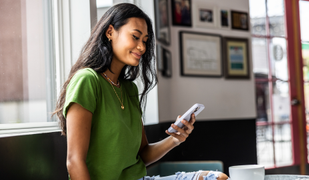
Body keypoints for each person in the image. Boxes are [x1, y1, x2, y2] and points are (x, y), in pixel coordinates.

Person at [53, 3, 229, 180]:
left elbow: (143, 155)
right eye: (135, 37)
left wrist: (175, 139)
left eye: (144, 41)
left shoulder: (129, 89)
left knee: (217, 178)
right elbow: (74, 161)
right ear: (110, 32)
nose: (142, 47)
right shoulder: (87, 80)